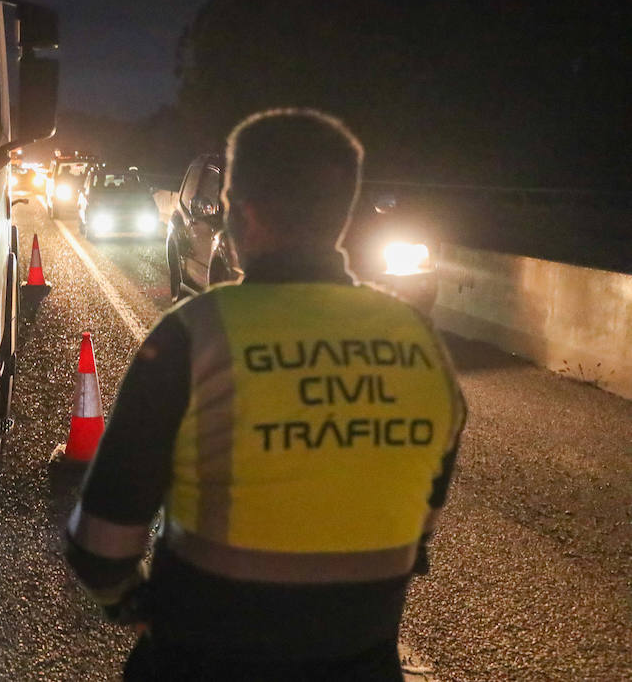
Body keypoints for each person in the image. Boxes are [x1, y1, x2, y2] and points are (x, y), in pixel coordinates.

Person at [64, 108, 466, 681]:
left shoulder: (194, 334)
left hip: (202, 662)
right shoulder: (421, 341)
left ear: (244, 216)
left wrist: (134, 608)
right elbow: (420, 527)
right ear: (341, 218)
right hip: (363, 663)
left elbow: (99, 546)